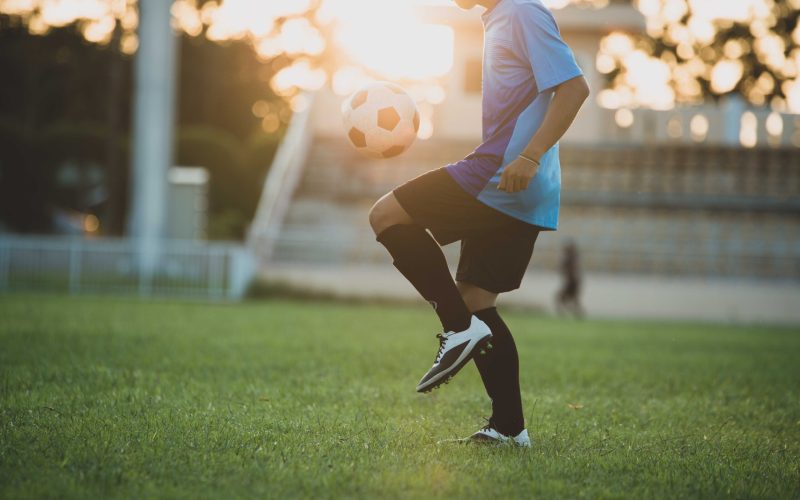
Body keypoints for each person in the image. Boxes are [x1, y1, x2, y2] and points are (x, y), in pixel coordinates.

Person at [368, 0, 590, 447]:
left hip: (504, 172)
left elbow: (574, 89)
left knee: (385, 215)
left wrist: (529, 156)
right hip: (521, 186)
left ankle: (457, 328)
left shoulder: (523, 10)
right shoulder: (497, 18)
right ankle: (510, 428)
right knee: (476, 300)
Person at [556, 240, 584, 318]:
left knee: (562, 298)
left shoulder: (570, 258)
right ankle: (577, 313)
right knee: (571, 299)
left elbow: (565, 269)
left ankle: (574, 313)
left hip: (572, 282)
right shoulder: (574, 257)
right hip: (574, 281)